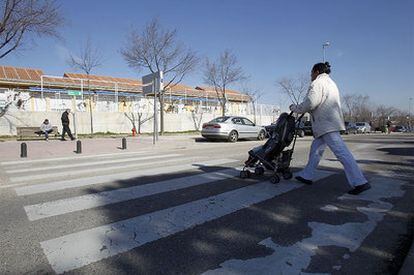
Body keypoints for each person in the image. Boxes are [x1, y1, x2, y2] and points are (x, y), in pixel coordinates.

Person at [289, 62, 370, 195]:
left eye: (311, 72)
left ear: (316, 71)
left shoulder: (317, 83)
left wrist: (294, 108)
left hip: (326, 124)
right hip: (330, 122)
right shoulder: (331, 83)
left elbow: (311, 103)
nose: (310, 75)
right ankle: (307, 175)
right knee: (315, 150)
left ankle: (360, 181)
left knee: (341, 153)